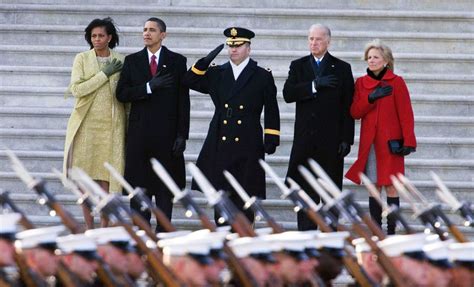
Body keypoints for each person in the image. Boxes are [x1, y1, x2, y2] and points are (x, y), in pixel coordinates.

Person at [183, 27, 280, 224]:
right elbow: (189, 80)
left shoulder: (261, 75)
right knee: (222, 195)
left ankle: (245, 237)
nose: (233, 49)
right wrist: (203, 63)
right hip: (221, 138)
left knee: (245, 194)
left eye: (238, 45)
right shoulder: (217, 72)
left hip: (248, 139)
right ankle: (223, 239)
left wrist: (271, 137)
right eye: (230, 45)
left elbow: (272, 108)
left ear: (248, 48)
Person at [116, 17, 190, 232]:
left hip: (166, 137)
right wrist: (148, 86)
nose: (146, 33)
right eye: (145, 30)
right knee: (139, 187)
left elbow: (183, 101)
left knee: (165, 188)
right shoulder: (132, 61)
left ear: (163, 35)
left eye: (152, 30)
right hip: (140, 137)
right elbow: (121, 94)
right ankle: (141, 232)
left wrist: (182, 135)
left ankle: (164, 233)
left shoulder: (177, 61)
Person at [283, 24, 355, 231]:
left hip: (330, 142)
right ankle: (306, 238)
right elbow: (288, 94)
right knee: (305, 193)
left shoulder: (342, 68)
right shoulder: (298, 65)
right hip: (305, 141)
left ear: (328, 41)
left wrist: (346, 139)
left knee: (331, 193)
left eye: (318, 39)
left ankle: (330, 240)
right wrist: (314, 85)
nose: (313, 43)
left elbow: (347, 106)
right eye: (310, 39)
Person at [345, 39, 416, 235]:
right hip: (370, 145)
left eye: (376, 57)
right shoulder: (361, 83)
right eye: (369, 57)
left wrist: (408, 141)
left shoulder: (397, 82)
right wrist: (371, 98)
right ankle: (376, 232)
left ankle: (391, 231)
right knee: (373, 188)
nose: (372, 60)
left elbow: (406, 114)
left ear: (386, 60)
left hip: (391, 144)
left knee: (392, 188)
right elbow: (354, 112)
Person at [63, 17, 126, 229]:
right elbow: (77, 90)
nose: (97, 39)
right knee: (85, 179)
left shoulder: (121, 60)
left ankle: (104, 227)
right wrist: (103, 75)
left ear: (110, 37)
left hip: (112, 125)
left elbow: (125, 96)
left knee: (106, 179)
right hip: (86, 125)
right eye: (93, 36)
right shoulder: (81, 58)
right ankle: (89, 228)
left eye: (101, 35)